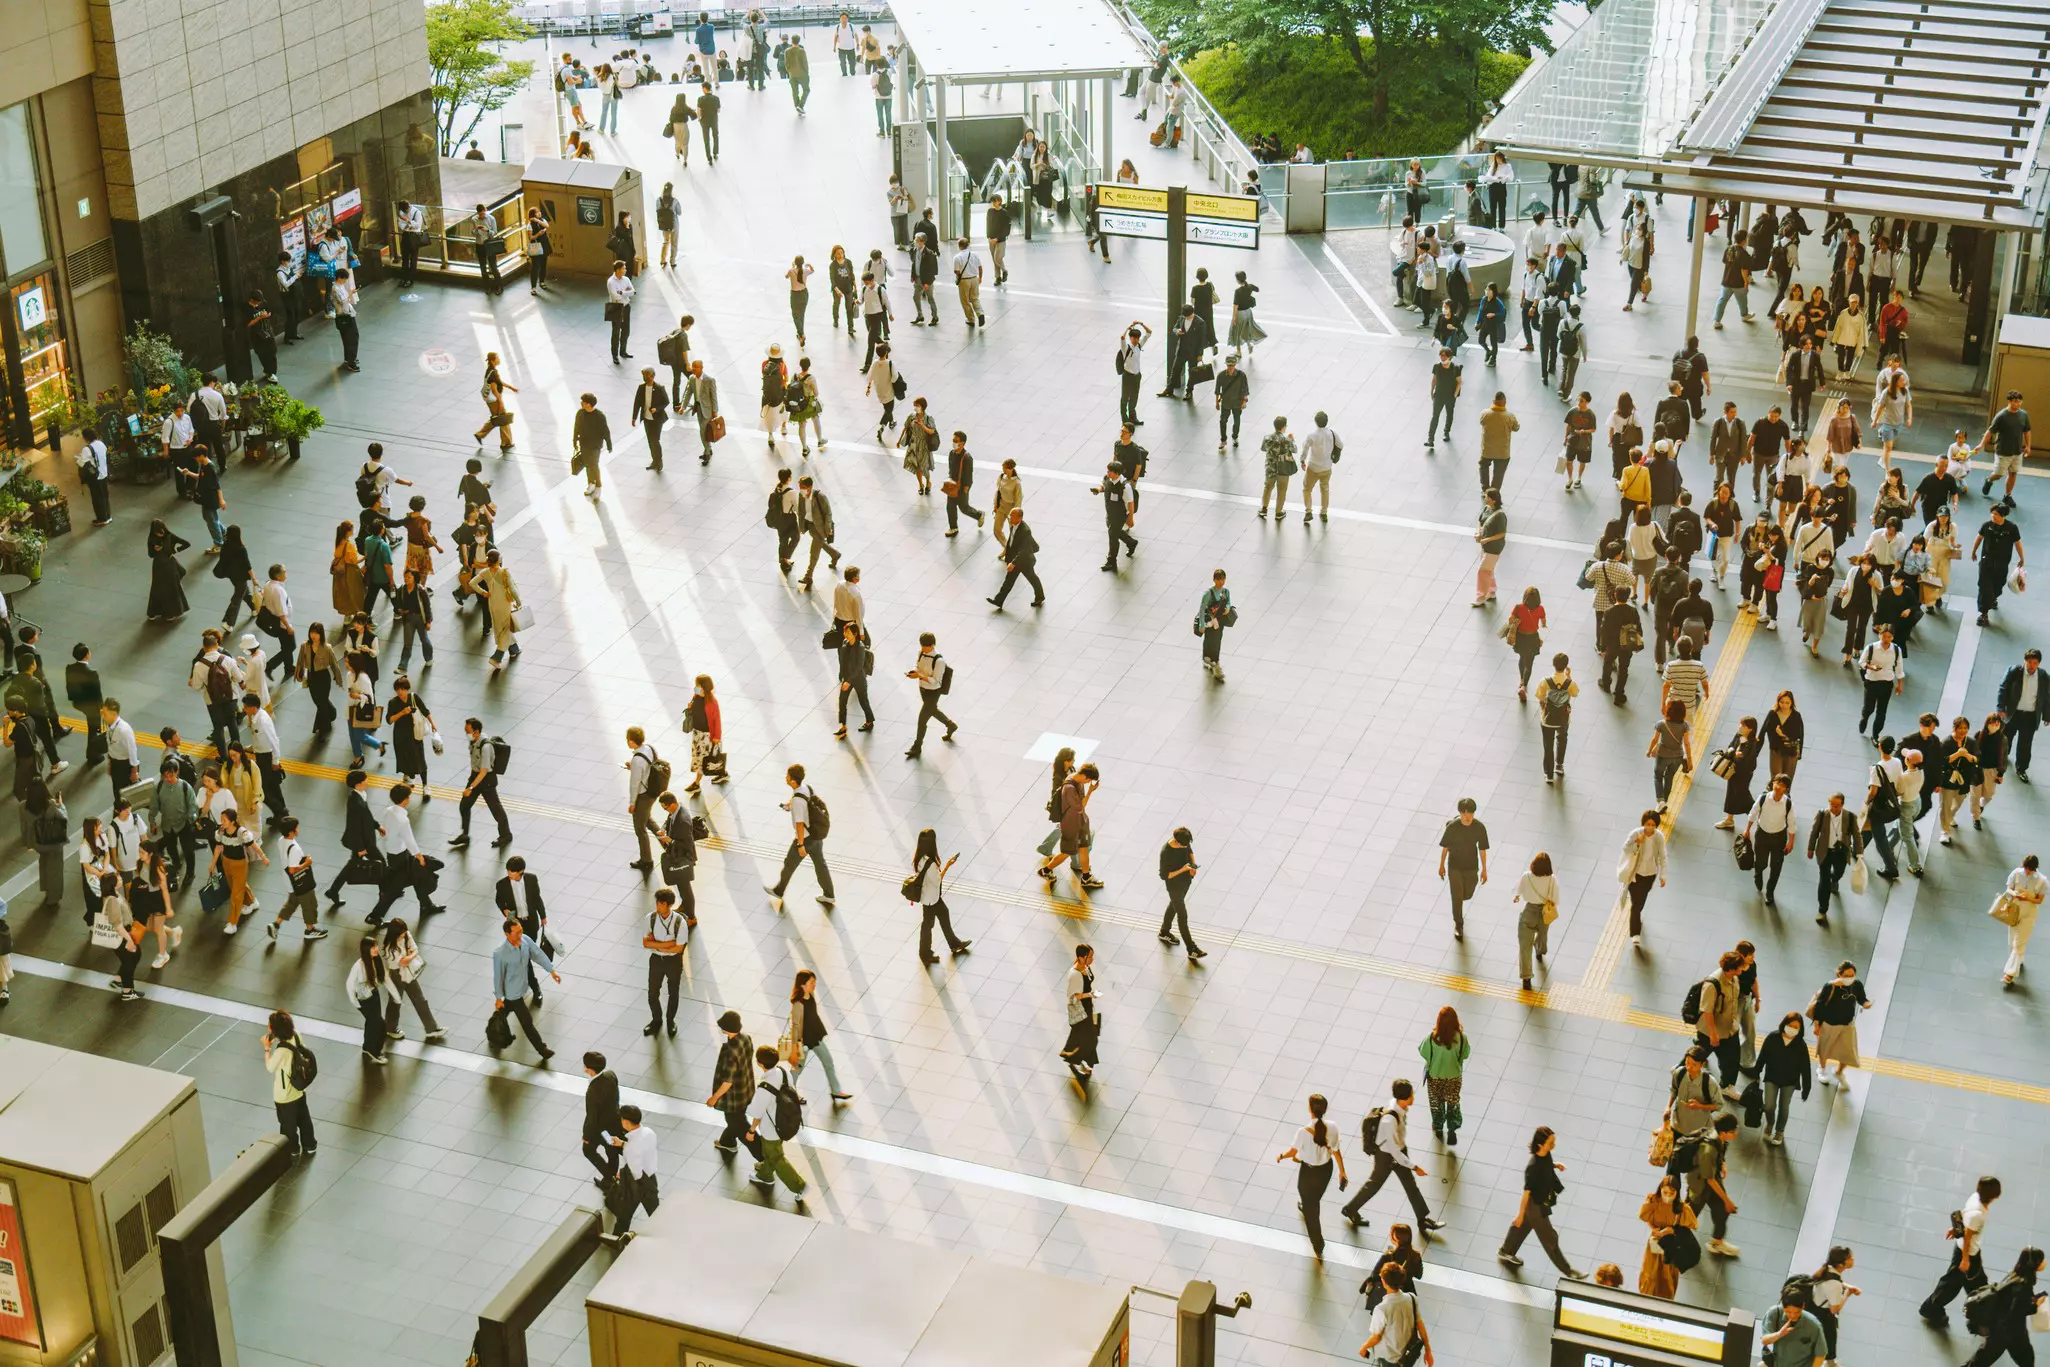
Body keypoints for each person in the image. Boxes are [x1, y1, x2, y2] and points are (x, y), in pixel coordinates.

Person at [1340, 1079, 1444, 1233]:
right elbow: (1394, 1151)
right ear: (1405, 1098)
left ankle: (1422, 1219)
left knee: (1410, 1186)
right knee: (1374, 1185)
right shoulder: (1389, 1120)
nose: (1414, 1097)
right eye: (1412, 1095)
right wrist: (1415, 1167)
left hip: (1397, 1151)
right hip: (1387, 1155)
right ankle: (1350, 1209)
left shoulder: (1397, 1106)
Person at [1498, 1126, 1583, 1277]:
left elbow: (1546, 1164)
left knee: (1522, 1227)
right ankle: (1568, 1271)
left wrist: (1555, 1165)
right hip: (1535, 1207)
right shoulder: (1532, 1168)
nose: (1553, 1145)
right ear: (1540, 1145)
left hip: (1538, 1202)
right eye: (1551, 1142)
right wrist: (1520, 1213)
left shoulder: (1546, 1155)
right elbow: (1526, 1194)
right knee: (1550, 1239)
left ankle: (1506, 1251)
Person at [1921, 1176, 2002, 1327]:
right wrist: (1965, 1259)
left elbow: (1964, 1214)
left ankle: (1982, 1308)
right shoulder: (1978, 1214)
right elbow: (1968, 1236)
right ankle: (1982, 1311)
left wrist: (1955, 1228)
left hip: (1966, 1251)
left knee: (1959, 1282)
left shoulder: (1975, 1198)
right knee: (1961, 1284)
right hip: (1969, 1253)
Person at [1275, 1094, 1347, 1259]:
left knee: (1311, 1211)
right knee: (1314, 1200)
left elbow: (1292, 1152)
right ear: (1325, 1110)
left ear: (1310, 1110)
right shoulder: (1333, 1127)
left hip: (1308, 1172)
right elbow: (1336, 1151)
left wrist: (1281, 1156)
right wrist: (1342, 1171)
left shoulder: (1303, 1132)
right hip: (1326, 1170)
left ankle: (1318, 1244)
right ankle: (1307, 1206)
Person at [744, 1046, 809, 1201]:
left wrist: (751, 1131)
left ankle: (800, 1186)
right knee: (770, 1151)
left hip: (771, 1128)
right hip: (785, 1121)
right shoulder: (783, 1072)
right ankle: (765, 1174)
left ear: (759, 1063)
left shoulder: (764, 1088)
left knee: (777, 1158)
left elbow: (757, 1113)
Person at [488, 918, 558, 1060]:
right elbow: (498, 976)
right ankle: (542, 1049)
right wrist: (498, 997)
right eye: (516, 932)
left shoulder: (525, 941)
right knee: (527, 1022)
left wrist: (551, 971)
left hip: (521, 988)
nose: (520, 934)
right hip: (512, 994)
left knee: (502, 1013)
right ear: (507, 934)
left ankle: (492, 1033)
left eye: (521, 931)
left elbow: (537, 954)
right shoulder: (500, 953)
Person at [766, 763, 834, 908]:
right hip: (817, 836)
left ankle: (779, 890)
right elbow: (803, 800)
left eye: (787, 776)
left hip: (807, 839)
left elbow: (800, 824)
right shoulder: (806, 788)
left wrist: (800, 844)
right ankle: (829, 895)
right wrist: (788, 806)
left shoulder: (798, 800)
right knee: (820, 865)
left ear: (792, 781)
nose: (785, 777)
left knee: (789, 864)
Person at [909, 828, 971, 964]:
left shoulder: (919, 858)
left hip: (927, 896)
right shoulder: (930, 864)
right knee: (929, 923)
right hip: (932, 898)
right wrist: (948, 865)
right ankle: (927, 952)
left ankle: (950, 945)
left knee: (934, 920)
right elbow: (938, 881)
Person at [264, 1010, 318, 1155]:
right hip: (299, 1090)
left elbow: (270, 1068)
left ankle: (293, 1149)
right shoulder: (296, 1035)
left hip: (284, 1095)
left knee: (288, 1126)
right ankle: (310, 1145)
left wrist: (267, 1048)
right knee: (304, 1120)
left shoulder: (281, 1051)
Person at [1811, 960, 1871, 1085]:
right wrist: (1817, 1024)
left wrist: (1866, 1004)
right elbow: (1820, 1006)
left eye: (1852, 975)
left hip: (1848, 1023)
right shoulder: (1830, 986)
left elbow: (1862, 998)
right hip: (1829, 1023)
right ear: (1839, 975)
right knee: (1824, 1048)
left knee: (1848, 1050)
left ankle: (1839, 1071)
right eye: (1846, 976)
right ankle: (1821, 1069)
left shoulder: (1857, 985)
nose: (1849, 978)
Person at [1756, 1010, 1811, 1147]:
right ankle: (1770, 1122)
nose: (1792, 1029)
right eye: (1790, 1025)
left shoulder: (1801, 1045)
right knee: (1769, 1106)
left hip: (1790, 1081)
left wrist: (1806, 1088)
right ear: (1784, 1024)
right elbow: (1762, 1056)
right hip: (1772, 1077)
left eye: (1796, 1027)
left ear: (1800, 1029)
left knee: (1784, 1107)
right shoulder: (1773, 1037)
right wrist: (1756, 1072)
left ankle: (1779, 1131)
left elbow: (1805, 1068)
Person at [1638, 1174, 1698, 1299]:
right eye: (1665, 1192)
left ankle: (1666, 1298)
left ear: (1677, 1192)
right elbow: (1645, 1216)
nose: (1668, 1196)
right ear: (1660, 1190)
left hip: (1670, 1245)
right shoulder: (1654, 1202)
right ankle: (1647, 1296)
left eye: (1672, 1193)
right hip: (1655, 1243)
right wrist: (1653, 1228)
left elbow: (1691, 1225)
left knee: (1668, 1274)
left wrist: (1671, 1230)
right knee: (1651, 1270)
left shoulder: (1681, 1208)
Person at [1359, 1263, 1430, 1366]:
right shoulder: (1411, 1298)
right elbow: (1420, 1324)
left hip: (1390, 1358)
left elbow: (1376, 1336)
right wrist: (1428, 1350)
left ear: (1384, 1282)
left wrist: (1364, 1347)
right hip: (1408, 1355)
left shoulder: (1381, 1309)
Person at [1807, 791, 1861, 926]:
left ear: (1842, 805)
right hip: (1825, 852)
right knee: (1824, 880)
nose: (1833, 808)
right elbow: (1813, 832)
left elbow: (1857, 835)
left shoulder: (1850, 817)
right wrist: (1810, 848)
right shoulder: (1822, 815)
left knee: (1839, 872)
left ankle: (1835, 879)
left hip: (1841, 853)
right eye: (1831, 804)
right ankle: (1822, 911)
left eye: (1837, 805)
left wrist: (1859, 853)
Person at [1437, 798, 1488, 940]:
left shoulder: (1479, 827)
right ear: (1460, 813)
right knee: (1457, 896)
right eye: (1465, 814)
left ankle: (1461, 901)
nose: (1468, 817)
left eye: (1470, 814)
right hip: (1454, 866)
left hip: (1471, 866)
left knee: (1468, 893)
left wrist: (1484, 869)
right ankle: (1458, 923)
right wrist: (1441, 865)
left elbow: (1483, 849)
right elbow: (1445, 848)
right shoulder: (1452, 828)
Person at [641, 888, 689, 1037]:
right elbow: (646, 944)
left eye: (661, 904)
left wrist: (657, 944)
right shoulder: (650, 918)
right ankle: (656, 1020)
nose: (658, 906)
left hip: (674, 961)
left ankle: (670, 1021)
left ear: (669, 905)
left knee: (673, 992)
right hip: (656, 960)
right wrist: (668, 945)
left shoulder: (680, 922)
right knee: (652, 993)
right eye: (657, 903)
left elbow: (680, 947)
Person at [1997, 649, 2047, 782]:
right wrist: (2001, 707)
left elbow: (2046, 696)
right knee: (2006, 737)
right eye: (2029, 662)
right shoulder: (2015, 671)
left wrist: (2047, 715)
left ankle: (2021, 768)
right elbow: (2003, 688)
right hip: (2014, 713)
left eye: (2035, 663)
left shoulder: (2043, 676)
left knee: (2025, 744)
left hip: (2030, 716)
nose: (2032, 665)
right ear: (2024, 661)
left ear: (2039, 664)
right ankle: (2002, 759)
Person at [1972, 501, 2025, 627]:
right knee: (1984, 587)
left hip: (2001, 563)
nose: (1993, 516)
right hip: (1986, 561)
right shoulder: (1987, 526)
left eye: (1995, 514)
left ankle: (1993, 597)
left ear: (2003, 515)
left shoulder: (2011, 528)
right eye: (1992, 514)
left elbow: (2017, 543)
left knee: (1998, 584)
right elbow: (1979, 538)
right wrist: (1974, 551)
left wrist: (2022, 558)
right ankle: (1983, 614)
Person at [1511, 853, 1558, 991]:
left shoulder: (1527, 876)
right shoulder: (1552, 879)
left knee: (1525, 945)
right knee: (1543, 933)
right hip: (1544, 912)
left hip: (1529, 912)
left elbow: (1518, 890)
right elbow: (1556, 898)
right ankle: (1540, 950)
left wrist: (1517, 897)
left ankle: (1526, 977)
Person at [1998, 854, 2048, 986]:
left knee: (2019, 943)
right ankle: (2018, 960)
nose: (2027, 871)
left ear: (2034, 869)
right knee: (2012, 940)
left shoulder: (2042, 881)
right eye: (2025, 868)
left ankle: (2009, 974)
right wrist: (2014, 894)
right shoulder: (2016, 873)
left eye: (2029, 869)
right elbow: (2009, 888)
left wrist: (2027, 898)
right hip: (2014, 910)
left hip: (2028, 914)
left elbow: (2039, 900)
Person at [1156, 826, 1203, 961]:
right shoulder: (1166, 852)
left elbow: (1189, 851)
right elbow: (1164, 875)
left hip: (1185, 883)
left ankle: (1164, 931)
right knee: (1182, 916)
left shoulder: (1184, 843)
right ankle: (1191, 949)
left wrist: (1193, 866)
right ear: (1176, 841)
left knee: (1173, 906)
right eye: (1183, 844)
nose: (1185, 847)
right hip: (1174, 886)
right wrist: (1183, 869)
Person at [1978, 389, 2031, 501]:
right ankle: (1989, 480)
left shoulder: (2024, 415)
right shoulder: (2001, 416)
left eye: (2019, 401)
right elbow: (1990, 431)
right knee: (1999, 474)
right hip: (2003, 451)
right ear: (2009, 401)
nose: (2017, 404)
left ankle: (2007, 495)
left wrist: (2028, 446)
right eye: (2015, 401)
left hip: (2017, 451)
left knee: (2013, 473)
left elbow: (2027, 431)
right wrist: (1981, 444)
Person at [1758, 1287, 1828, 1367]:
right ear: (1783, 1307)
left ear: (1803, 1306)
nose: (1793, 1315)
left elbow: (1821, 1354)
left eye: (1797, 1312)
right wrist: (1779, 1334)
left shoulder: (1814, 1325)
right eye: (1788, 1312)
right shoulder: (1774, 1313)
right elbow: (1765, 1340)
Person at [988, 509, 1044, 609]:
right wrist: (1008, 557)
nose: (1009, 517)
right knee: (1009, 581)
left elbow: (1024, 550)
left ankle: (1040, 597)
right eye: (1010, 515)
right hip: (1017, 559)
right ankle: (998, 601)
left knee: (1032, 578)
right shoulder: (1013, 526)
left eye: (1012, 516)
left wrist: (1013, 563)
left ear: (1020, 518)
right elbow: (1011, 542)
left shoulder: (1025, 531)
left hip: (1025, 561)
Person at [1061, 943, 1101, 1082]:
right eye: (1090, 957)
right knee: (1090, 1038)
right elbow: (1074, 996)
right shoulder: (1075, 974)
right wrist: (1091, 995)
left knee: (1082, 1035)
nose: (1092, 959)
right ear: (1081, 958)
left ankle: (1073, 1056)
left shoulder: (1085, 967)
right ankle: (1073, 1058)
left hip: (1087, 1007)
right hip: (1081, 1009)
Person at [1195, 569, 1235, 682]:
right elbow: (1202, 609)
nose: (1220, 582)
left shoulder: (1226, 592)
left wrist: (1227, 608)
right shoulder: (1208, 594)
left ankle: (1215, 660)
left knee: (1217, 640)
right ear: (1214, 580)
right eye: (1218, 579)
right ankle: (1208, 658)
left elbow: (1228, 602)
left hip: (1220, 622)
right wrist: (1201, 624)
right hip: (1210, 622)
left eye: (1222, 579)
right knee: (1209, 639)